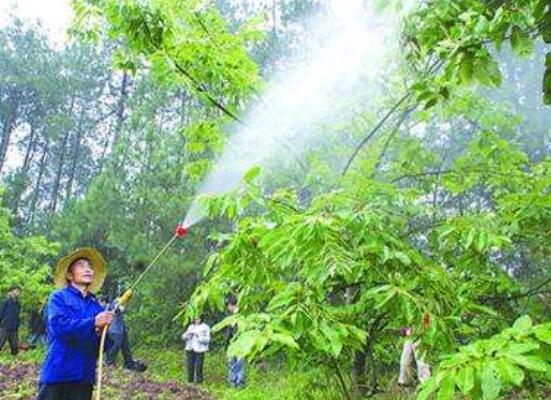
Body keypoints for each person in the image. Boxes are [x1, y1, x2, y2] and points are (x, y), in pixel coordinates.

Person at [37, 247, 114, 400]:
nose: (88, 269)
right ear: (69, 275)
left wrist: (101, 333)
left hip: (84, 377)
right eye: (81, 265)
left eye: (89, 266)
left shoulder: (96, 307)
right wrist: (93, 323)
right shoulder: (58, 298)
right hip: (58, 373)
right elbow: (59, 327)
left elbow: (103, 347)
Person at [105, 304, 147, 372]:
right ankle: (109, 363)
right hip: (114, 328)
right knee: (116, 344)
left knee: (125, 345)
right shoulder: (112, 301)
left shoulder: (121, 301)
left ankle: (128, 363)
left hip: (119, 326)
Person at [182, 316, 211, 384]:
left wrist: (198, 337)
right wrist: (188, 335)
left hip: (199, 349)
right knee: (190, 365)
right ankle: (190, 380)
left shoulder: (205, 327)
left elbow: (207, 340)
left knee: (199, 366)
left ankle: (199, 381)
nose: (196, 321)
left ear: (201, 319)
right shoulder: (191, 327)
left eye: (198, 319)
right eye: (195, 319)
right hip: (190, 348)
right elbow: (183, 336)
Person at [225, 295, 245, 388]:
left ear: (231, 305)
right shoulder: (230, 316)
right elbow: (229, 331)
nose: (228, 308)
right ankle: (232, 383)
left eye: (228, 305)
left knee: (239, 363)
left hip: (240, 343)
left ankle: (239, 383)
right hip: (231, 343)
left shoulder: (242, 315)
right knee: (232, 363)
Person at [0, 285, 22, 355]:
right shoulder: (6, 301)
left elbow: (18, 314)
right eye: (16, 290)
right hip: (5, 326)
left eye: (19, 291)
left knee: (14, 346)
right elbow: (1, 312)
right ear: (11, 291)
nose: (18, 292)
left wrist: (18, 324)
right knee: (1, 342)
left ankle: (14, 359)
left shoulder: (18, 303)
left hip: (14, 327)